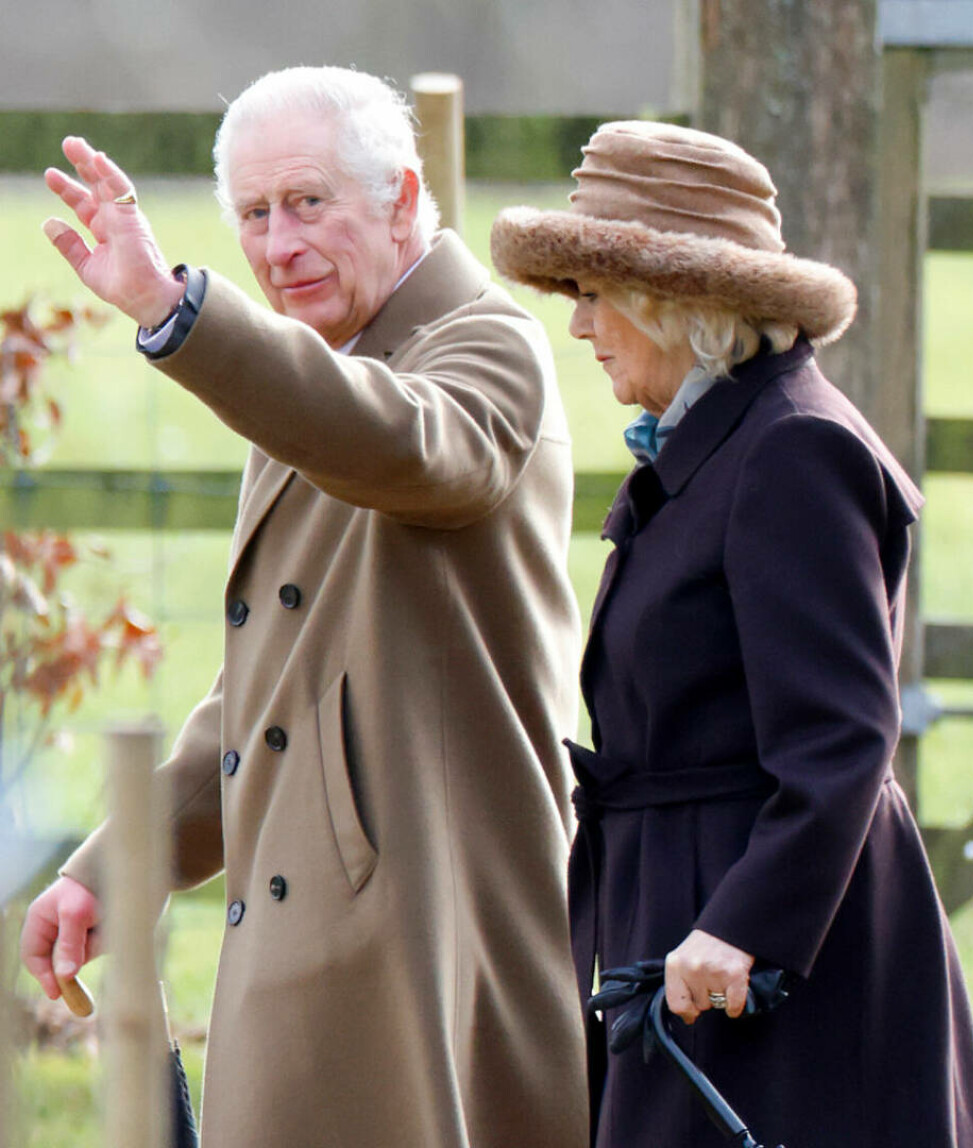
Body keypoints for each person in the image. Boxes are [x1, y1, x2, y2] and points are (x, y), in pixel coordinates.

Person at [20, 66, 589, 1148]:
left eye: (309, 203)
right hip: (310, 943)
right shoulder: (318, 369)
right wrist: (117, 859)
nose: (278, 245)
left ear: (403, 195)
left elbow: (402, 442)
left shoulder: (484, 345)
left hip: (430, 936)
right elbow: (265, 689)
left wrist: (176, 313)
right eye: (254, 213)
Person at [490, 121, 973, 1148]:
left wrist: (742, 925)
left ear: (672, 298)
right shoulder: (716, 436)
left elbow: (843, 734)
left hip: (761, 955)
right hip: (689, 915)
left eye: (594, 292)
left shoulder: (789, 451)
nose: (580, 325)